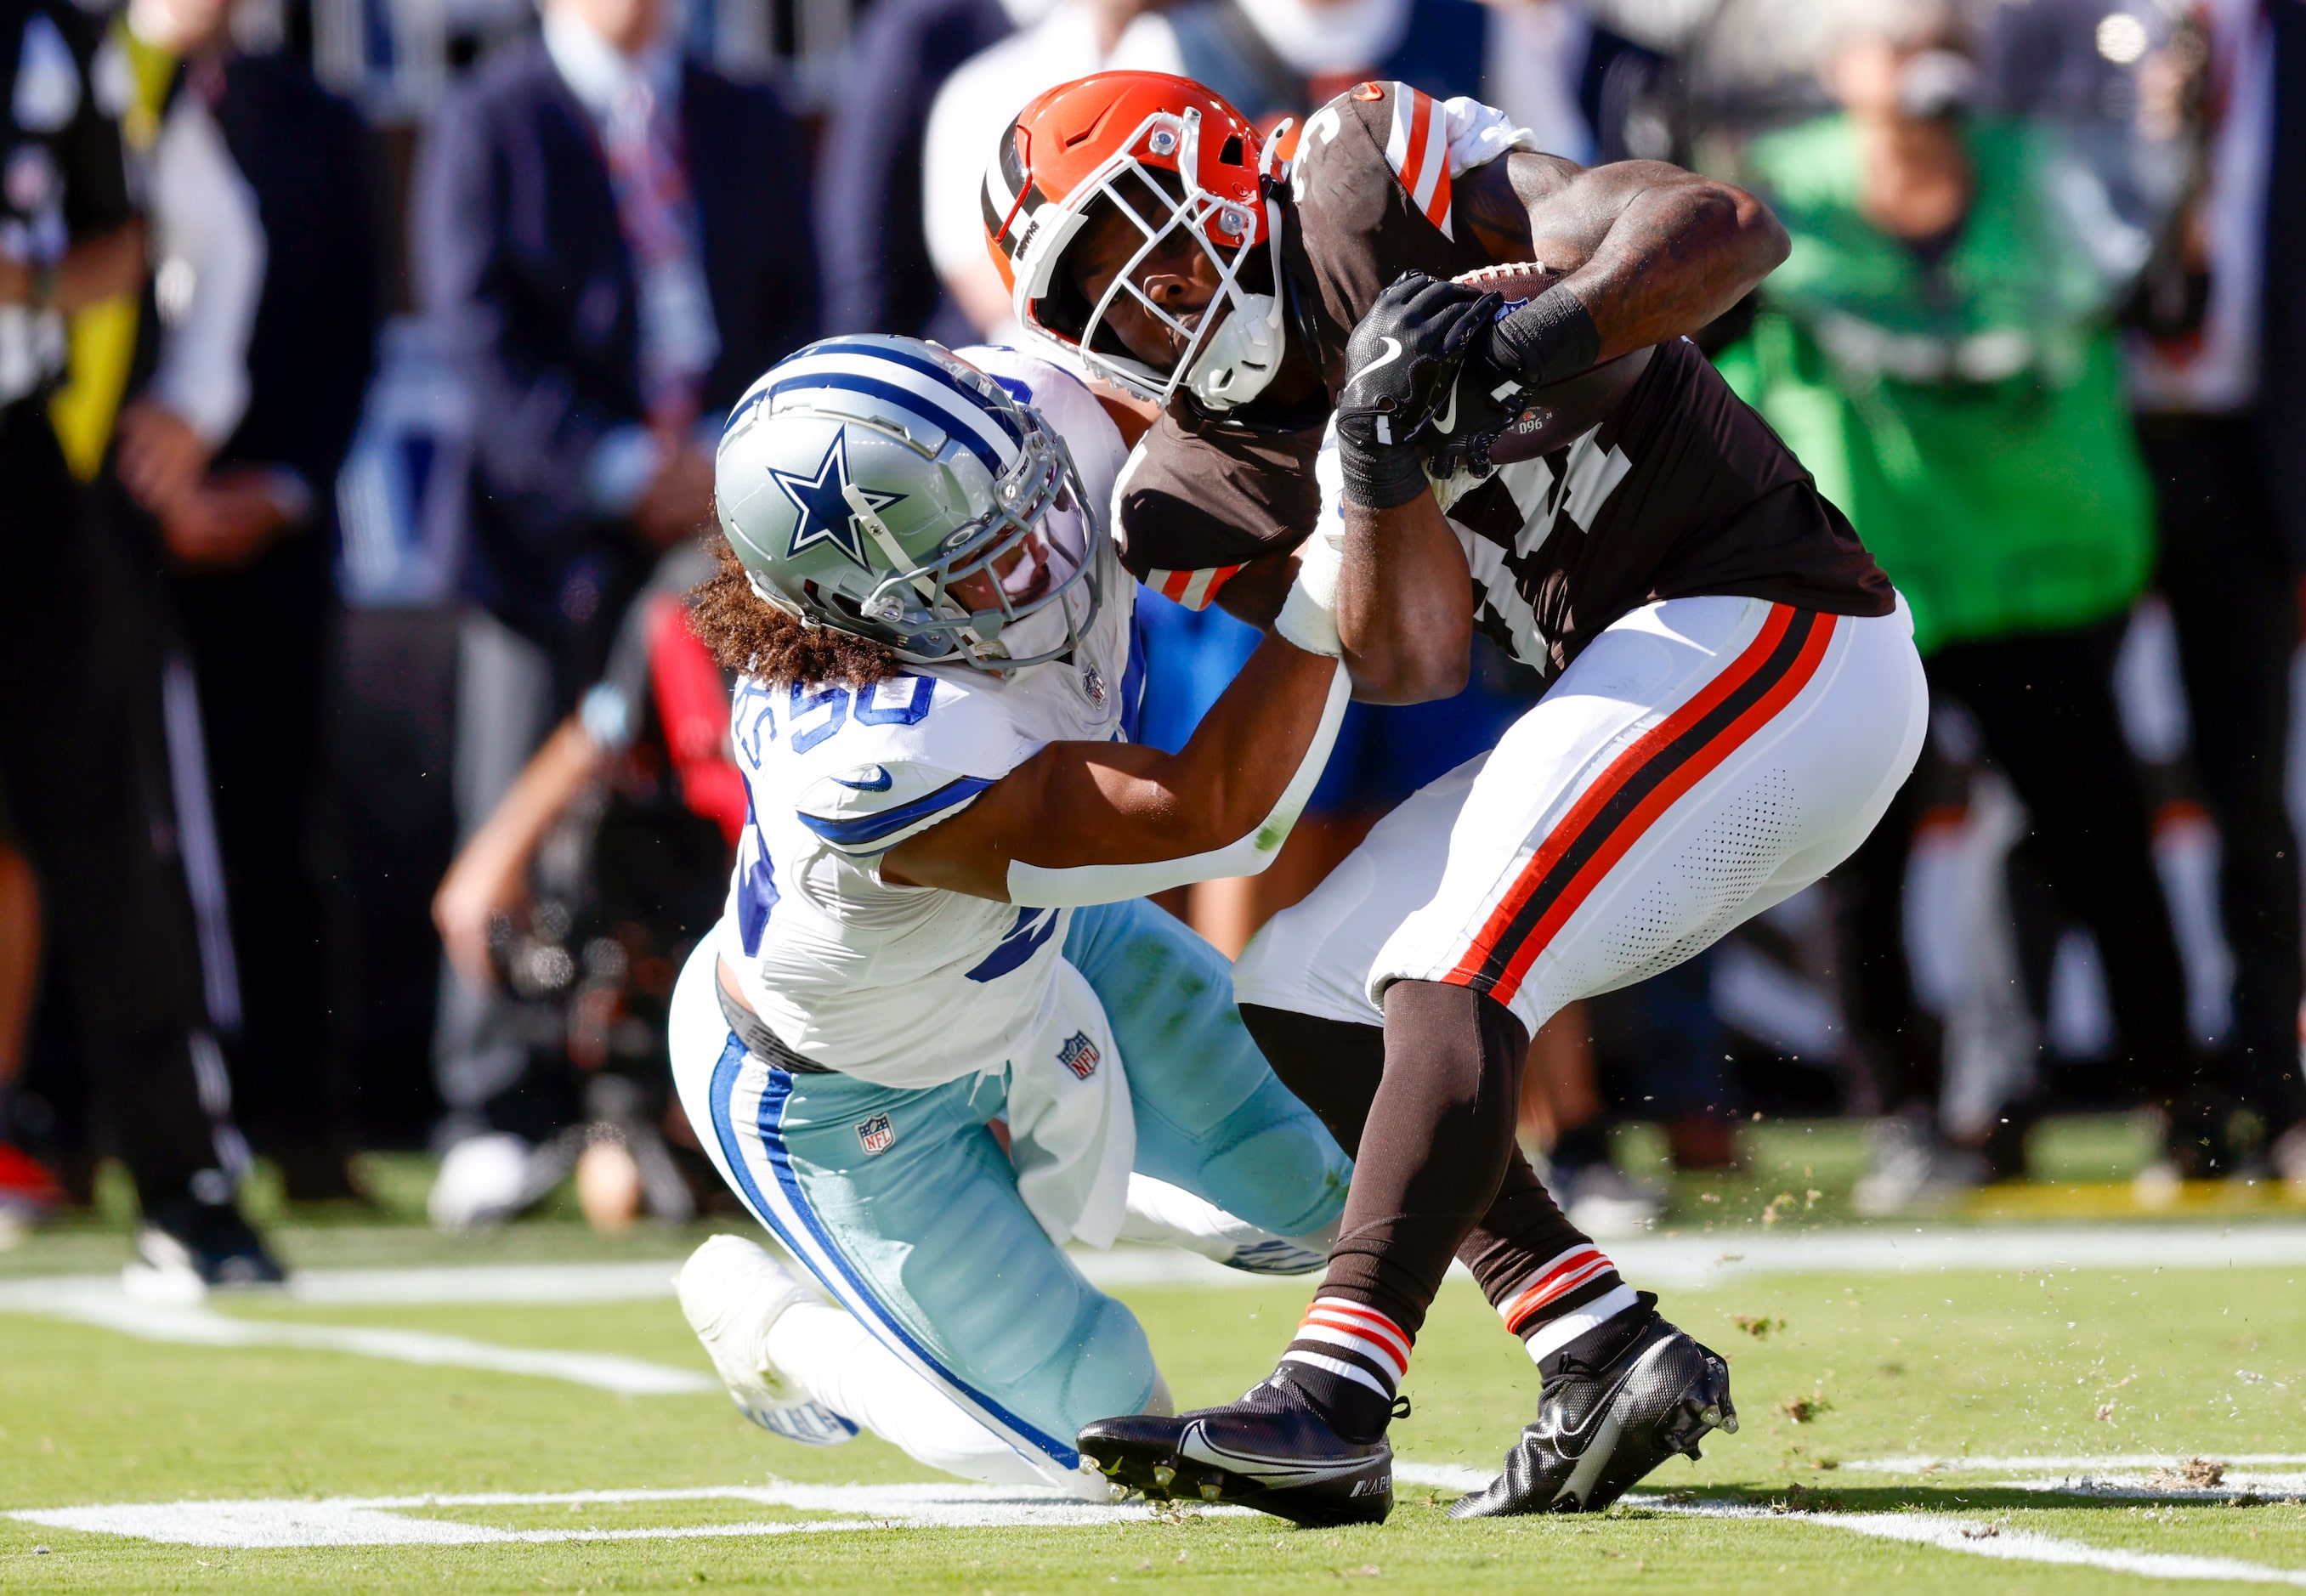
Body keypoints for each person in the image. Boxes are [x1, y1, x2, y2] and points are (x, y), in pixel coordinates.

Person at [980, 71, 1920, 1522]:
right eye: (1100, 291)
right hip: (1641, 686)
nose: (1149, 299)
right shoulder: (1185, 493)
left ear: (1226, 173)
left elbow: (1725, 228)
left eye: (1140, 241)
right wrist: (1372, 455)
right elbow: (1411, 661)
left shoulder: (1361, 180)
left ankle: (1334, 1395)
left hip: (1784, 634)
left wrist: (1516, 339)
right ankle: (1593, 1340)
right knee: (1303, 985)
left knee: (1447, 957)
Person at [666, 334, 1358, 1492]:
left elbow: (1193, 490)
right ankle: (785, 1337)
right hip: (845, 1093)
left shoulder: (1029, 419)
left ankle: (1115, 1157)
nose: (1049, 549)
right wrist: (1347, 552)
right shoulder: (875, 752)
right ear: (864, 611)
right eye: (987, 558)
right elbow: (1216, 816)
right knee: (1098, 1450)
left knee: (1332, 1204)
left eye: (1028, 500)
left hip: (1044, 948)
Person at [1708, 0, 2218, 1199]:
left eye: (1946, 44)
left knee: (2100, 842)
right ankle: (1901, 1113)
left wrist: (2175, 167)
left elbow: (2159, 302)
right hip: (1863, 582)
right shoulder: (1763, 193)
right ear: (1839, 69)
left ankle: (2178, 1098)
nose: (1924, 71)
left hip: (2043, 564)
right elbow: (1694, 353)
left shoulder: (2046, 177)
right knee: (1853, 864)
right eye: (1894, 45)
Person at [414, 0, 820, 1161]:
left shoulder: (741, 114)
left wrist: (737, 459)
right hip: (546, 538)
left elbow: (797, 300)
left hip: (736, 524)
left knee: (727, 801)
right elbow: (476, 325)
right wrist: (614, 463)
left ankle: (692, 1093)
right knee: (519, 790)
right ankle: (494, 1106)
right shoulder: (492, 115)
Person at [0, 0, 280, 1288]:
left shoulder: (81, 40)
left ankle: (183, 1182)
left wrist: (191, 399)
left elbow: (173, 239)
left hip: (37, 466)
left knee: (108, 833)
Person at [104, 0, 382, 1198]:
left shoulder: (313, 118)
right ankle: (76, 1118)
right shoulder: (92, 82)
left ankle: (301, 1119)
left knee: (276, 823)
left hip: (261, 527)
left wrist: (269, 484)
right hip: (96, 517)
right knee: (100, 828)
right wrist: (138, 484)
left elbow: (342, 328)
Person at [2128, 0, 2306, 1180]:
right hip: (2080, 439)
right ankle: (2143, 1086)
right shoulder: (2082, 34)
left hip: (2256, 441)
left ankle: (2263, 1082)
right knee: (2046, 772)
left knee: (2248, 775)